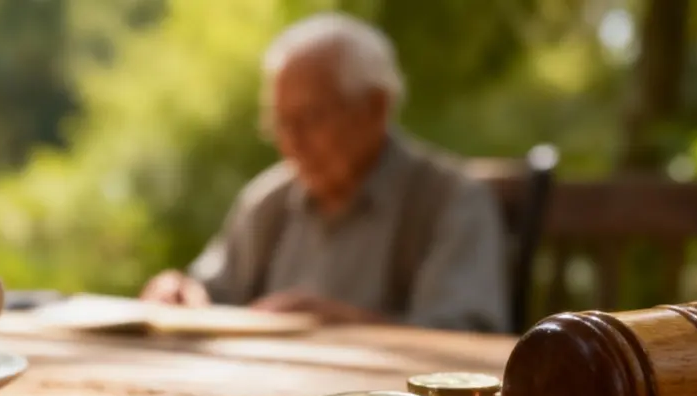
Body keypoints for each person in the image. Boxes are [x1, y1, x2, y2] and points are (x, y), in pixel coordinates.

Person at [139, 12, 510, 332]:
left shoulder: (450, 202)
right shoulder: (269, 201)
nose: (291, 142)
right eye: (281, 122)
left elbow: (463, 339)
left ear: (374, 109)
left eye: (310, 118)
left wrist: (336, 324)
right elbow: (212, 291)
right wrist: (180, 291)